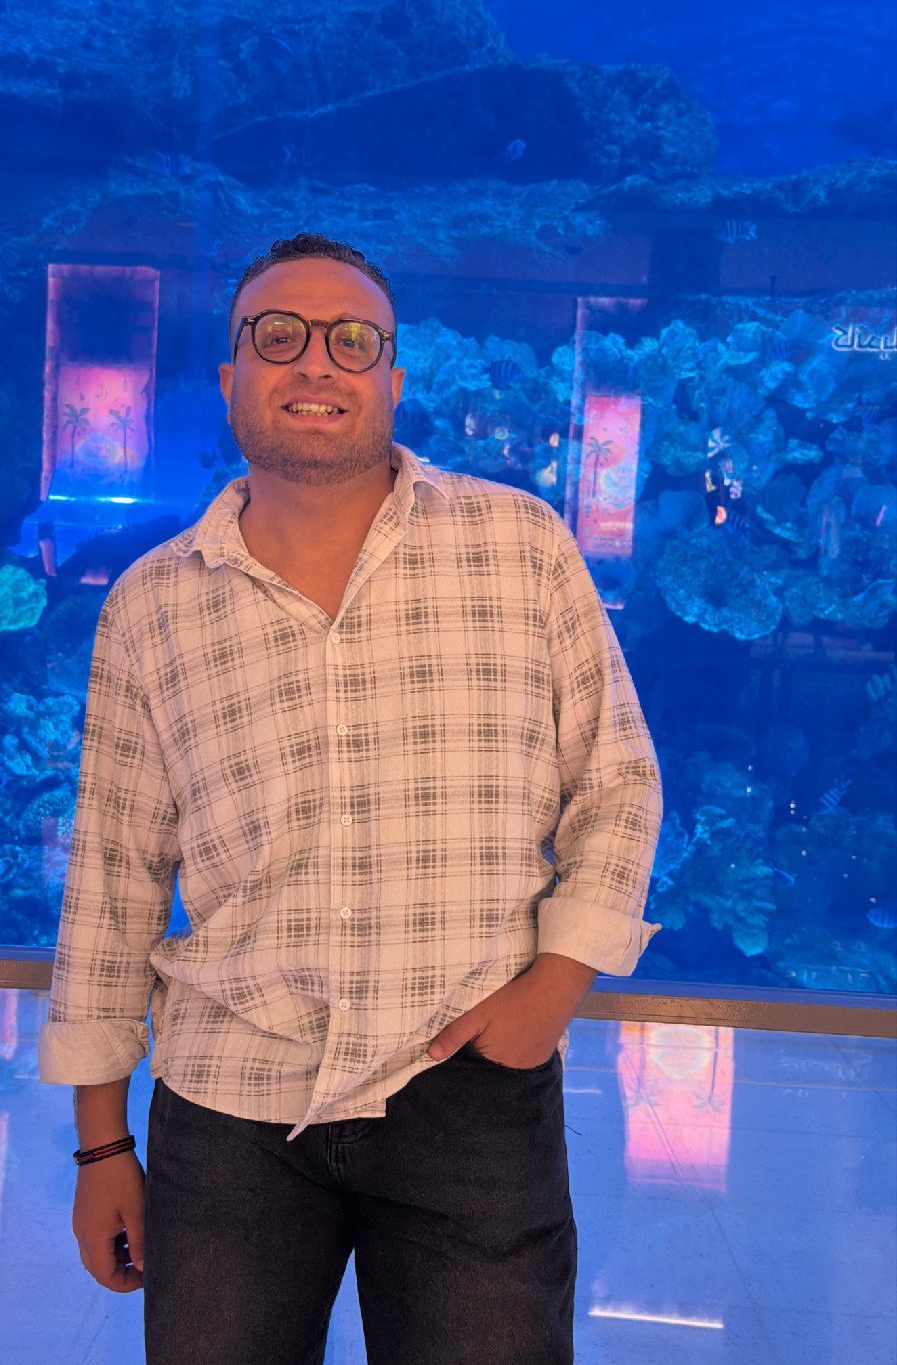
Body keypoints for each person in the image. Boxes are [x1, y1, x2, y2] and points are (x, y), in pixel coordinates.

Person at [38, 231, 664, 1365]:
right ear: (231, 375)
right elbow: (111, 877)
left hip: (467, 1082)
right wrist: (100, 1146)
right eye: (278, 336)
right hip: (228, 1101)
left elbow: (618, 782)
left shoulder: (519, 546)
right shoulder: (151, 604)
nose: (315, 361)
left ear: (393, 376)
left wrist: (551, 991)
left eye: (352, 340)